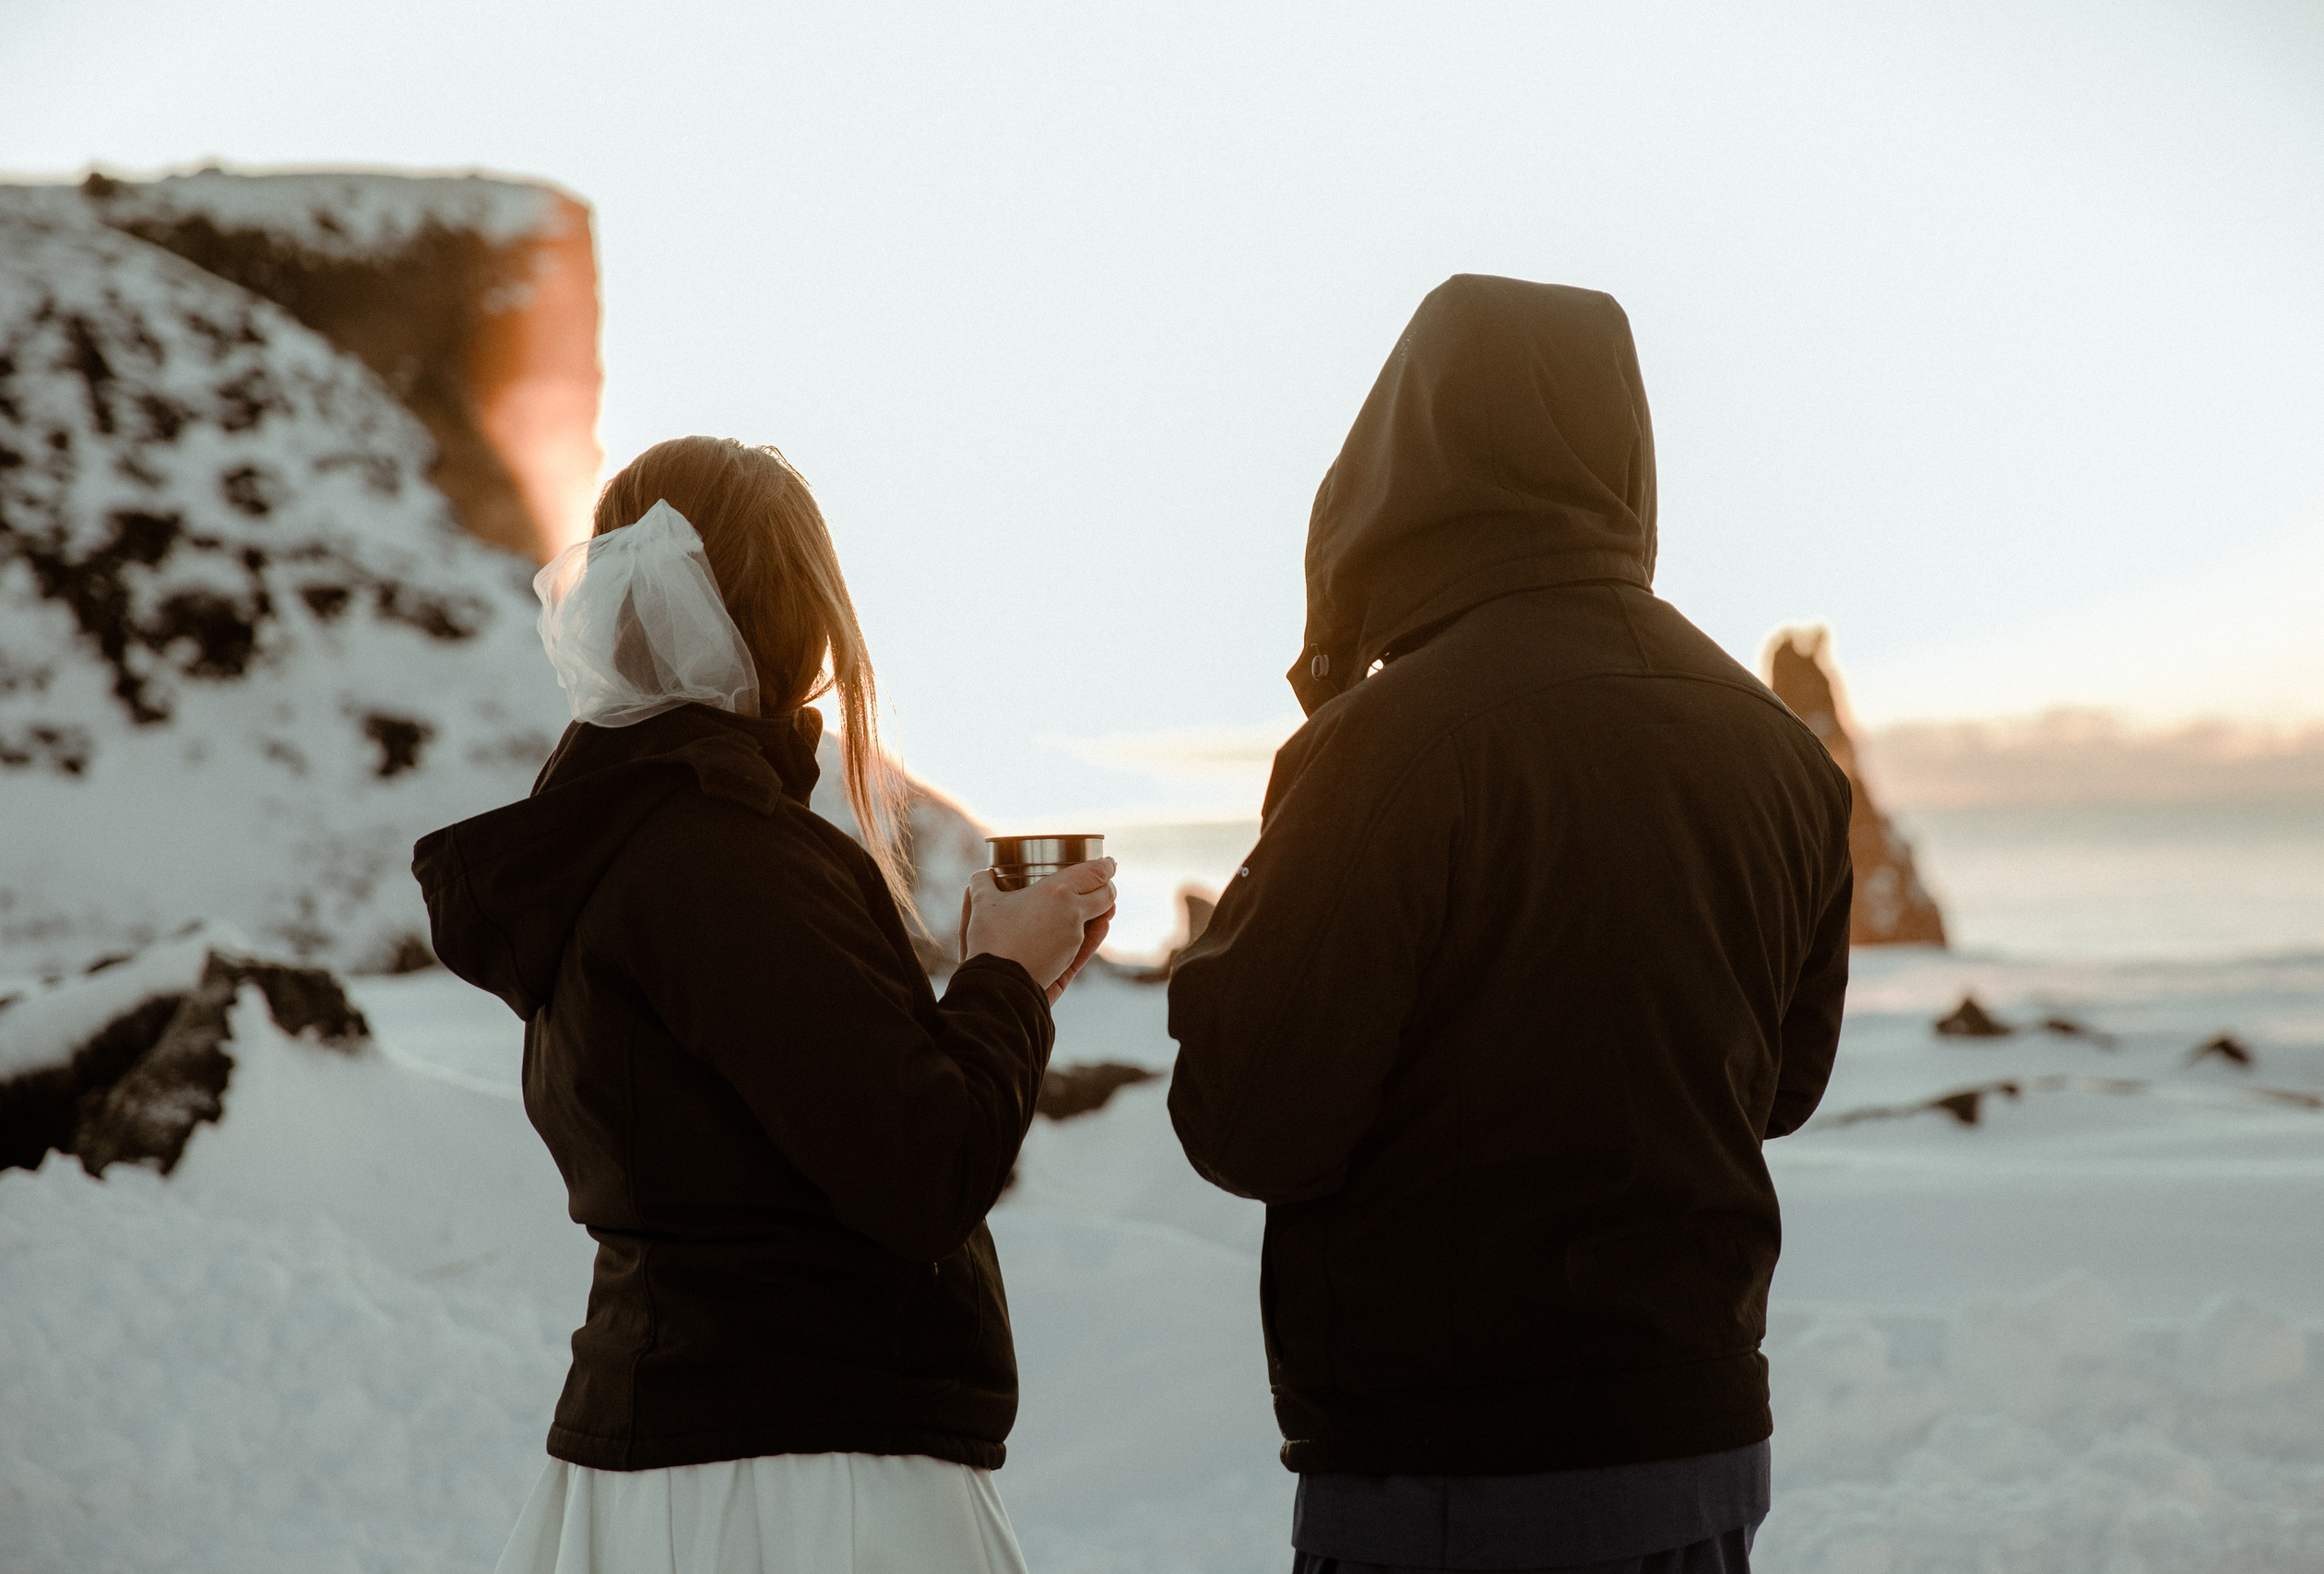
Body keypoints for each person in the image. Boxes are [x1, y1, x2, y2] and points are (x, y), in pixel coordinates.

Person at [1165, 276, 1853, 1574]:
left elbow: (1249, 1118)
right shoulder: (1778, 750)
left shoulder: (1387, 745)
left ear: (1403, 456)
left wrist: (1224, 950)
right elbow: (1782, 1085)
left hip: (1458, 1473)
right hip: (1700, 1442)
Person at [414, 436, 1114, 1574]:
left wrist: (1002, 989)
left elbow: (769, 1140)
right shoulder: (731, 857)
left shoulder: (596, 850)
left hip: (645, 1466)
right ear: (802, 626)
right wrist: (1001, 981)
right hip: (811, 1477)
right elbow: (922, 1172)